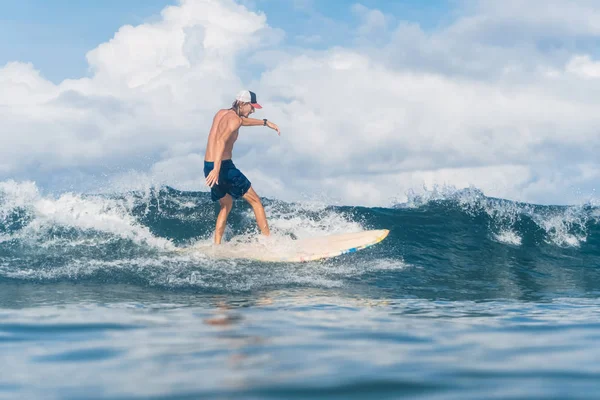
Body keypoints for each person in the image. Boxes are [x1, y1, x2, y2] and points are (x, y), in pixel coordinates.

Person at [204, 90, 280, 244]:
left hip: (208, 165)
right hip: (223, 167)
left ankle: (217, 245)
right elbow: (220, 142)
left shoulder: (222, 114)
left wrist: (265, 122)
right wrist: (217, 169)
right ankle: (269, 243)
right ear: (242, 103)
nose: (252, 111)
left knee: (226, 204)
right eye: (251, 107)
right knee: (256, 202)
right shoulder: (235, 121)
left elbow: (241, 122)